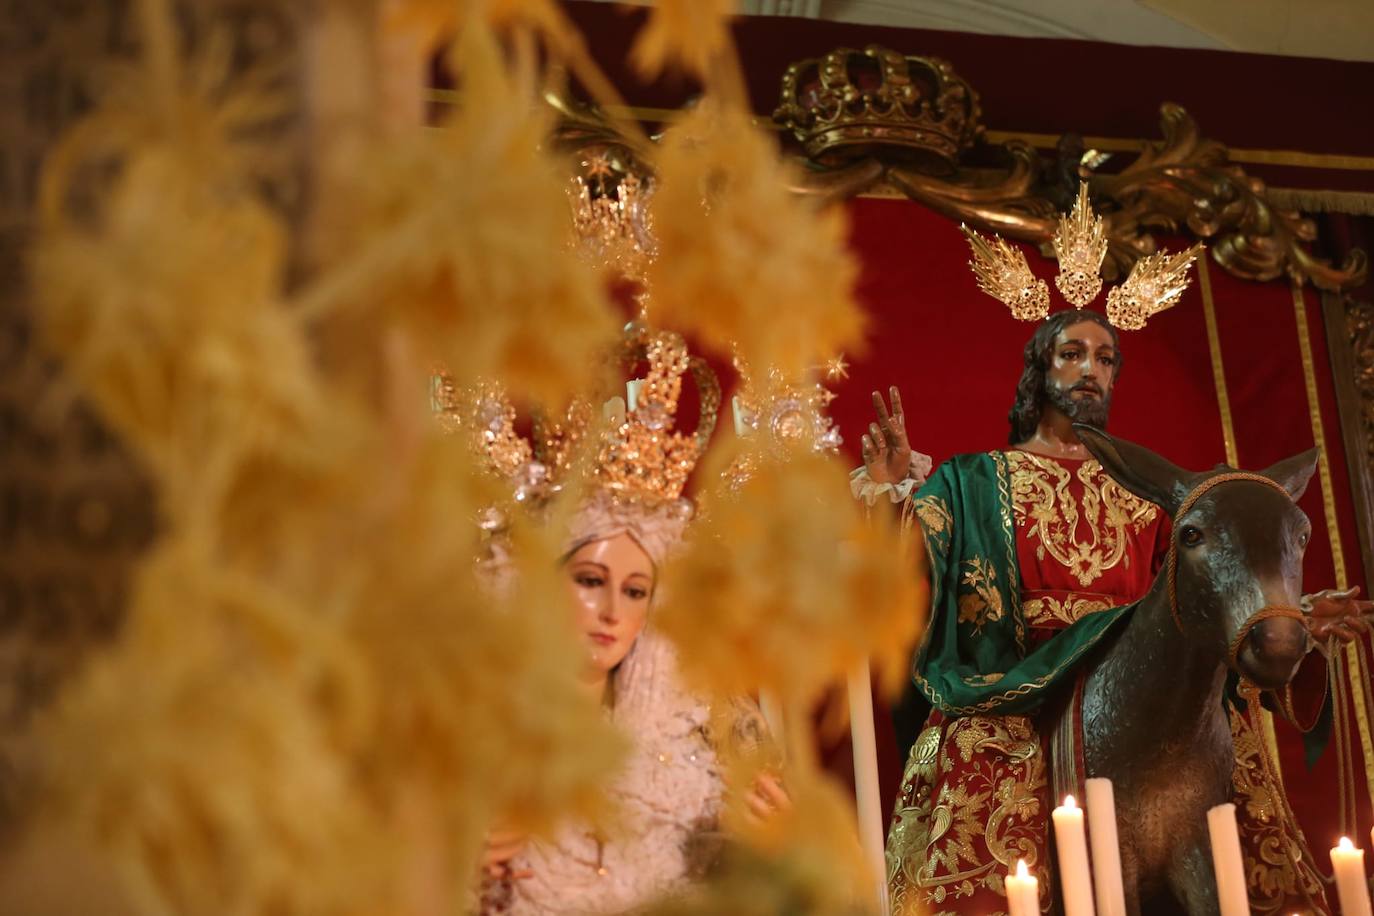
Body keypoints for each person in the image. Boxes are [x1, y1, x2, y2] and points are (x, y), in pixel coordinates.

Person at [854, 309, 1369, 915]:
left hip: (1138, 679)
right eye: (1072, 354)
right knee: (979, 748)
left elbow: (1195, 604)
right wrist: (890, 494)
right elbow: (902, 574)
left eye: (1104, 360)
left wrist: (1293, 617)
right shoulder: (974, 480)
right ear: (1040, 368)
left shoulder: (1156, 498)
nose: (1089, 371)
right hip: (1019, 682)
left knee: (1238, 753)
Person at [449, 330, 788, 916]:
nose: (612, 613)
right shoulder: (472, 713)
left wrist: (777, 844)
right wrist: (454, 855)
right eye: (588, 581)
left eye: (635, 592)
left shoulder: (710, 720)